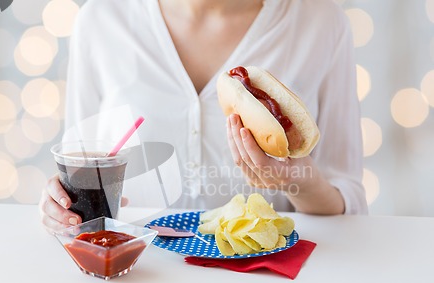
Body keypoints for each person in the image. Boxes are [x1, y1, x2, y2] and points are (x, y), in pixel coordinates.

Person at [39, 0, 368, 231]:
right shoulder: (101, 20)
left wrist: (296, 181)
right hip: (135, 279)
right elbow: (78, 169)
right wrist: (62, 206)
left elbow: (348, 197)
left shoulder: (322, 22)